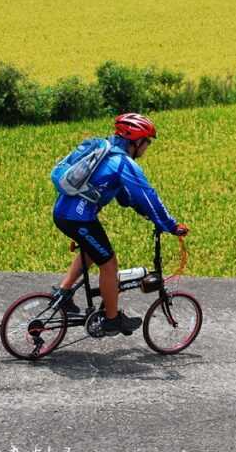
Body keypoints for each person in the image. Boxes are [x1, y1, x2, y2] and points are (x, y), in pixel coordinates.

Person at [50, 113, 188, 336]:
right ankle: (111, 319)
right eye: (147, 143)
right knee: (109, 263)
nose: (147, 148)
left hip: (64, 213)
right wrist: (170, 225)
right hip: (77, 218)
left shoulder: (106, 151)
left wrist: (143, 212)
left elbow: (125, 196)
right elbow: (148, 196)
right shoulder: (123, 162)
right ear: (137, 141)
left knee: (94, 250)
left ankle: (64, 293)